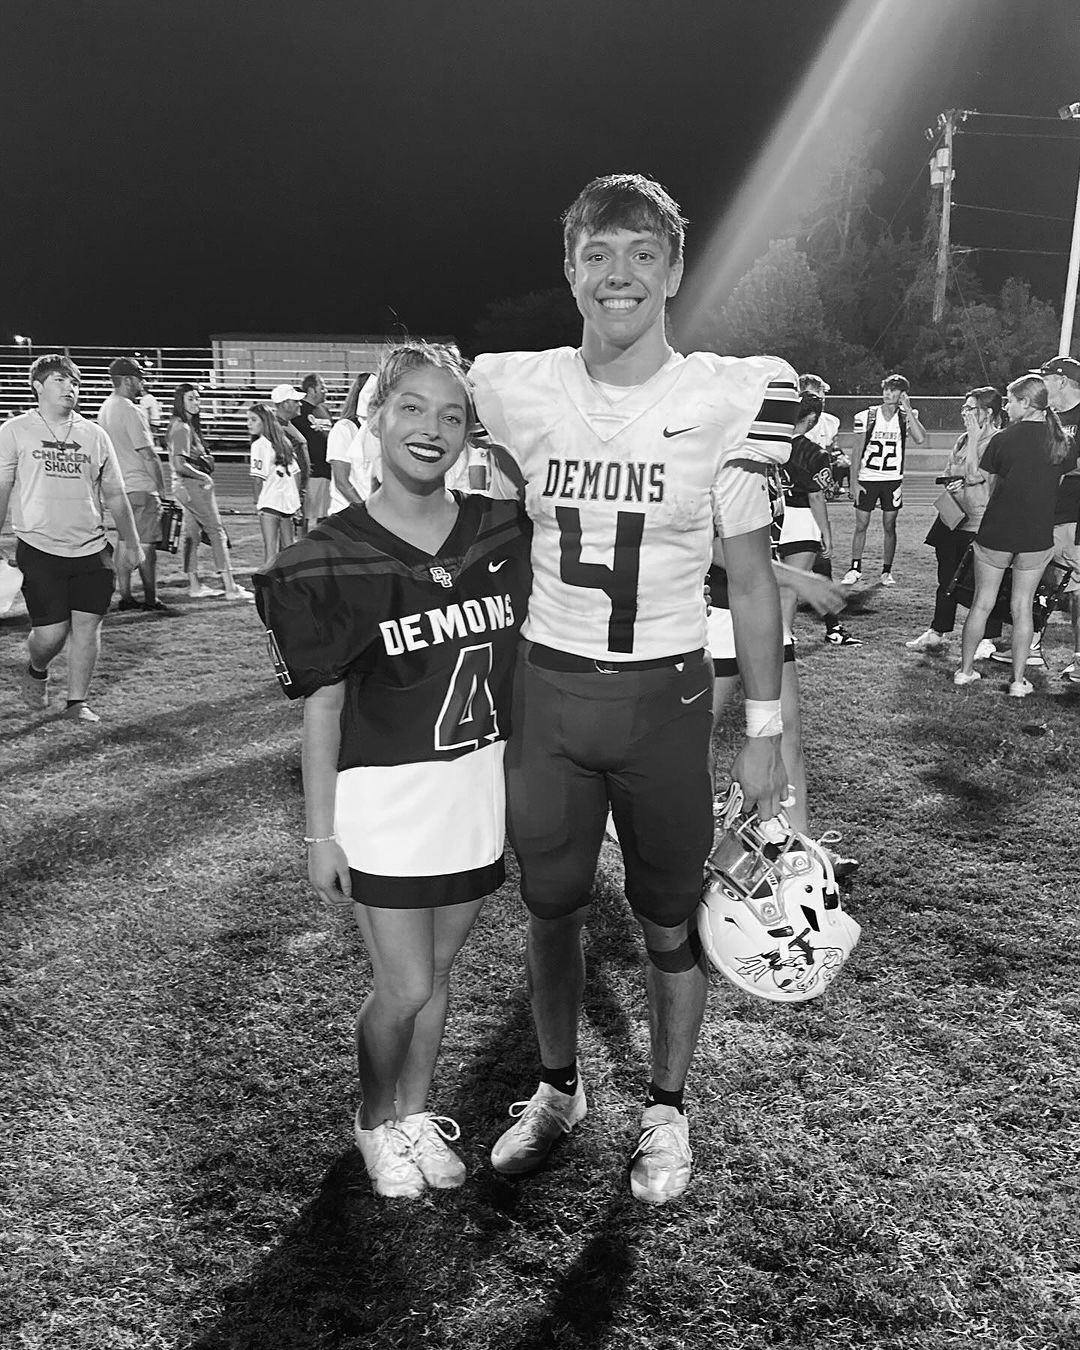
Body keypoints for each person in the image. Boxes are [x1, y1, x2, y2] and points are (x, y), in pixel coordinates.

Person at [470, 173, 798, 1205]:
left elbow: (752, 580)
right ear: (570, 270)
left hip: (666, 699)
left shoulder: (727, 396)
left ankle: (666, 1106)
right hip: (550, 692)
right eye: (599, 255)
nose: (621, 275)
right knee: (550, 907)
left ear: (676, 270)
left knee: (668, 918)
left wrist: (766, 727)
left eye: (643, 254)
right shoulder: (513, 389)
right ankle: (557, 1088)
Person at [253, 342, 531, 1199]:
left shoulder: (504, 528)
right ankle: (374, 1120)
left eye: (452, 415)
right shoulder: (329, 555)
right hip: (387, 798)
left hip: (477, 789)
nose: (431, 428)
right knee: (404, 984)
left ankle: (414, 1112)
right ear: (375, 418)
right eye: (412, 407)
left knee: (437, 979)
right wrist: (319, 835)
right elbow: (323, 708)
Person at [0, 353, 145, 723]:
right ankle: (37, 669)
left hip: (92, 549)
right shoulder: (15, 430)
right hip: (40, 547)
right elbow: (2, 487)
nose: (71, 388)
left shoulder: (94, 435)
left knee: (87, 626)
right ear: (38, 386)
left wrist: (131, 542)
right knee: (50, 635)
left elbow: (115, 494)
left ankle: (76, 702)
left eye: (75, 382)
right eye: (60, 380)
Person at [955, 375, 1076, 696]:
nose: (1006, 407)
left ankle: (965, 672)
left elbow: (974, 477)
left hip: (997, 531)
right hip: (1036, 534)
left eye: (1010, 401)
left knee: (982, 603)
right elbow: (1057, 483)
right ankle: (1018, 682)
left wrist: (973, 436)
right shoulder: (1062, 441)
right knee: (1022, 607)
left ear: (1025, 403)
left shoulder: (1004, 439)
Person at [990, 356, 1080, 678]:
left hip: (1073, 515)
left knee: (1076, 588)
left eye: (1046, 378)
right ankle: (1030, 646)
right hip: (1042, 513)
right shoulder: (1050, 416)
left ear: (1062, 380)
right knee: (1040, 582)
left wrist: (1056, 467)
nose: (1041, 384)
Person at [906, 388, 1005, 659]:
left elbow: (977, 476)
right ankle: (937, 631)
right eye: (964, 408)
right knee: (946, 579)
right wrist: (951, 481)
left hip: (979, 521)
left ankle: (987, 637)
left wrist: (974, 439)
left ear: (988, 412)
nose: (964, 413)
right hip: (953, 517)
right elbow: (951, 470)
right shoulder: (962, 439)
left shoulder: (998, 441)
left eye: (970, 409)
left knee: (982, 583)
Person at [779, 380, 860, 647]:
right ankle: (784, 642)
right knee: (792, 586)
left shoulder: (771, 444)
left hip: (771, 516)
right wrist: (826, 531)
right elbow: (816, 495)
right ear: (812, 419)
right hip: (800, 519)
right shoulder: (814, 452)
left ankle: (826, 628)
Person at [97, 356, 169, 613]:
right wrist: (161, 488)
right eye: (139, 378)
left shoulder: (105, 408)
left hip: (118, 488)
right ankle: (150, 598)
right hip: (140, 486)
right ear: (127, 380)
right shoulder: (130, 410)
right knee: (146, 544)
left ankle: (125, 595)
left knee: (123, 540)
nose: (142, 383)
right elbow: (147, 454)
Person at [167, 383, 252, 601]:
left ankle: (194, 585)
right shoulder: (182, 427)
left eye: (197, 398)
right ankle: (230, 587)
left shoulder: (180, 425)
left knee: (191, 536)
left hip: (183, 487)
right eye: (190, 399)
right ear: (180, 401)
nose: (196, 402)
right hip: (192, 486)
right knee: (216, 532)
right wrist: (203, 476)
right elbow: (179, 464)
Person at [842, 373, 926, 587]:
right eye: (886, 389)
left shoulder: (906, 416)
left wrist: (908, 409)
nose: (888, 393)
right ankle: (855, 568)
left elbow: (920, 438)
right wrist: (853, 482)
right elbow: (856, 451)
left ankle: (886, 571)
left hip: (892, 479)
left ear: (903, 394)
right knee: (861, 524)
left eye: (893, 390)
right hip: (868, 477)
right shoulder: (867, 416)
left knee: (890, 525)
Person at [249, 402, 302, 565]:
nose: (249, 424)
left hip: (270, 502)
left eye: (253, 420)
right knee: (289, 549)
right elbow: (297, 473)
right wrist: (296, 501)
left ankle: (267, 581)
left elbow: (258, 479)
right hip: (288, 503)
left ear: (264, 422)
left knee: (271, 550)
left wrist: (257, 502)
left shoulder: (259, 445)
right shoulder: (284, 442)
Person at [327, 372, 375, 512]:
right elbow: (342, 482)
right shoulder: (344, 429)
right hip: (348, 512)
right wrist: (364, 511)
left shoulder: (379, 432)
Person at [293, 373, 334, 528]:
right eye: (322, 387)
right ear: (311, 390)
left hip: (327, 471)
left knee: (325, 517)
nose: (326, 391)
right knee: (305, 519)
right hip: (311, 473)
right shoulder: (299, 411)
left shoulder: (324, 409)